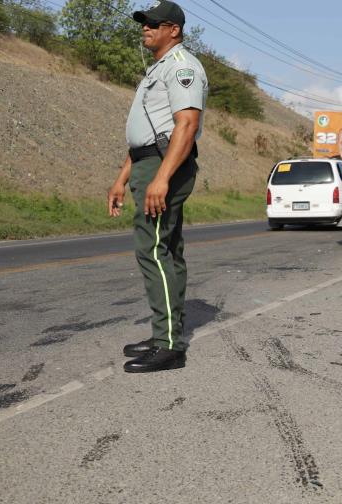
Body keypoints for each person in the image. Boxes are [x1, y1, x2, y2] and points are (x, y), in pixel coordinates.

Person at [107, 0, 208, 373]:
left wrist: (162, 178)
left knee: (153, 249)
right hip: (148, 161)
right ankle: (164, 334)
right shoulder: (158, 70)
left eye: (153, 23)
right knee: (167, 250)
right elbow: (146, 135)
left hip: (164, 166)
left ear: (174, 30)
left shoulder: (183, 68)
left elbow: (185, 126)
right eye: (144, 23)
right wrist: (120, 180)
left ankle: (169, 345)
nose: (145, 28)